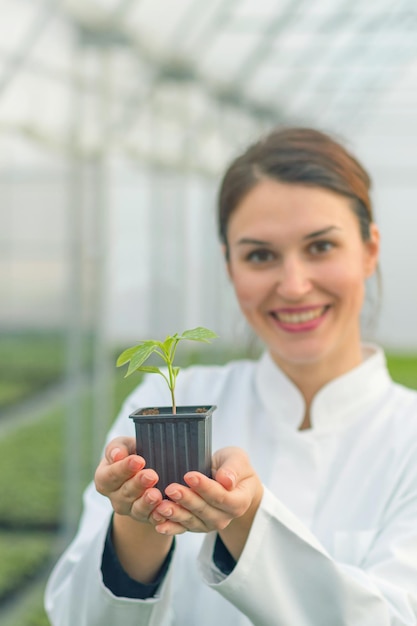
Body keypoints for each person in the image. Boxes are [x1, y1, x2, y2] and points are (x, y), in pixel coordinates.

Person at [45, 127, 417, 626]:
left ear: (369, 250)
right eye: (260, 255)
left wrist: (247, 520)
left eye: (321, 246)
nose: (293, 285)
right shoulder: (173, 398)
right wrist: (138, 522)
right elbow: (79, 617)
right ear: (229, 265)